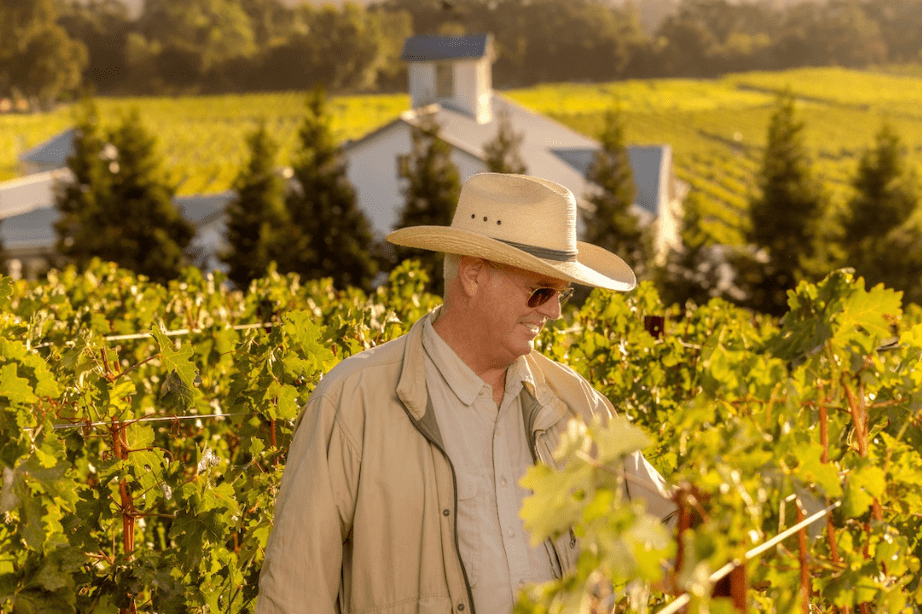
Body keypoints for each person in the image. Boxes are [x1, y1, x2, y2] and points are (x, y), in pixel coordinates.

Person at [256, 173, 676, 614]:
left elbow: (666, 530)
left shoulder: (579, 404)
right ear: (473, 275)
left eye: (561, 294)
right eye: (540, 292)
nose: (553, 311)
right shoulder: (351, 402)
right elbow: (294, 595)